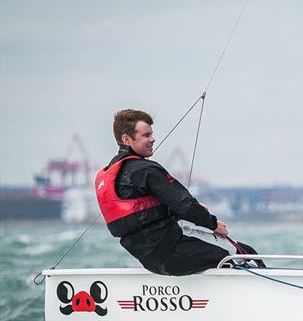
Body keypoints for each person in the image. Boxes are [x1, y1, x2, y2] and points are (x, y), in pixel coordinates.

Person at [96, 109, 256, 275]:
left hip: (151, 260)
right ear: (126, 139)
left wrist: (182, 211)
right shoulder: (146, 170)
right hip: (175, 251)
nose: (152, 139)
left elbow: (145, 216)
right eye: (146, 135)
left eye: (151, 134)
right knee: (245, 253)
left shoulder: (109, 175)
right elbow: (185, 206)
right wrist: (214, 225)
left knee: (221, 254)